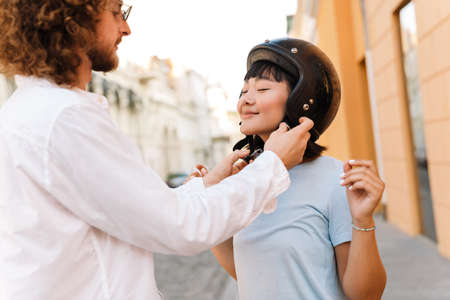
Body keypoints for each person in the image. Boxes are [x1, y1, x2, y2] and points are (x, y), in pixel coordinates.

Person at [0, 2, 314, 299]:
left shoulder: (31, 110)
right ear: (73, 23)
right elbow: (179, 226)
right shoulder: (63, 118)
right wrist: (272, 164)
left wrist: (208, 184)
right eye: (115, 12)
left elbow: (139, 209)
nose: (126, 28)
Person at [204, 38, 387, 300]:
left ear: (302, 99)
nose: (246, 100)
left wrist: (362, 220)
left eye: (263, 89)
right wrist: (210, 200)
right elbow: (247, 272)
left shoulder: (335, 179)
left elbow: (366, 295)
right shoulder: (247, 179)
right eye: (244, 91)